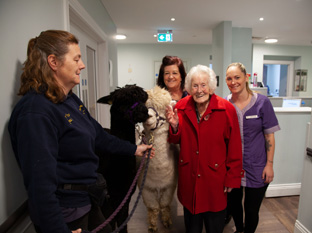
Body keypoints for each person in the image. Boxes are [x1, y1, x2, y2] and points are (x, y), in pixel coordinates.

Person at [8, 30, 154, 233]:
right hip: (66, 212)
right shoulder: (35, 112)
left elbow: (99, 136)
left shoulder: (68, 100)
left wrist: (134, 149)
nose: (82, 65)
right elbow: (39, 186)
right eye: (76, 59)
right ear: (53, 62)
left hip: (87, 200)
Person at [165, 64, 243, 233]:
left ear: (211, 86)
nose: (199, 90)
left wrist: (232, 177)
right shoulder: (180, 107)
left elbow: (235, 147)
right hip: (189, 178)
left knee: (214, 226)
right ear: (188, 88)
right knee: (192, 227)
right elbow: (175, 139)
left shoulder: (227, 109)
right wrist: (174, 126)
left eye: (203, 85)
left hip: (215, 180)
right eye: (195, 85)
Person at [224, 62, 280, 233]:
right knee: (234, 205)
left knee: (251, 209)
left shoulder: (262, 102)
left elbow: (269, 135)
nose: (233, 82)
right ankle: (239, 229)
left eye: (237, 77)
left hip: (257, 165)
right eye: (229, 78)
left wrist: (269, 164)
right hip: (233, 166)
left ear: (246, 78)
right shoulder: (225, 104)